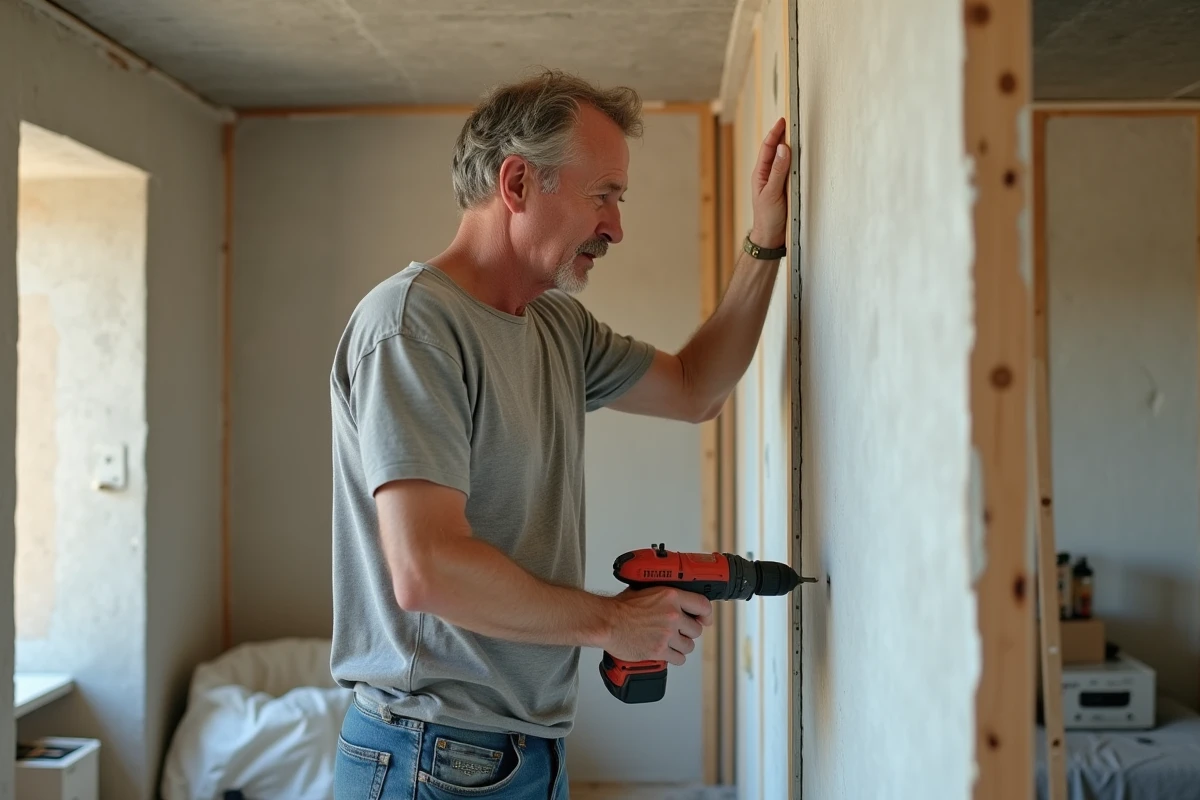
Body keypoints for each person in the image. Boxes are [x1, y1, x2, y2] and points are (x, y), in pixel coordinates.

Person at [329, 68, 791, 799]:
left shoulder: (556, 326)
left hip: (525, 749)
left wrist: (765, 241)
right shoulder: (413, 327)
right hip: (432, 755)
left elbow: (696, 388)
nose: (615, 227)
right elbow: (427, 569)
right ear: (518, 184)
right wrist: (611, 623)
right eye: (602, 195)